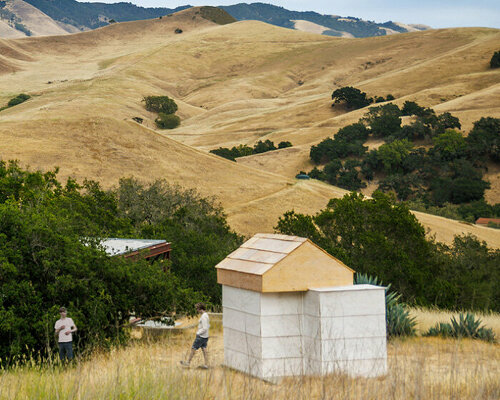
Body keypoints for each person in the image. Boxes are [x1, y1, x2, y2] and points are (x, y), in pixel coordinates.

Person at [180, 303, 210, 369]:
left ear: (200, 309)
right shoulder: (206, 315)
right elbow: (208, 326)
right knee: (204, 349)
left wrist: (198, 333)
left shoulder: (204, 316)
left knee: (193, 349)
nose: (197, 310)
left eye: (197, 309)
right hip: (205, 336)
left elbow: (205, 328)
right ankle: (206, 364)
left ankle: (188, 362)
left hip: (201, 336)